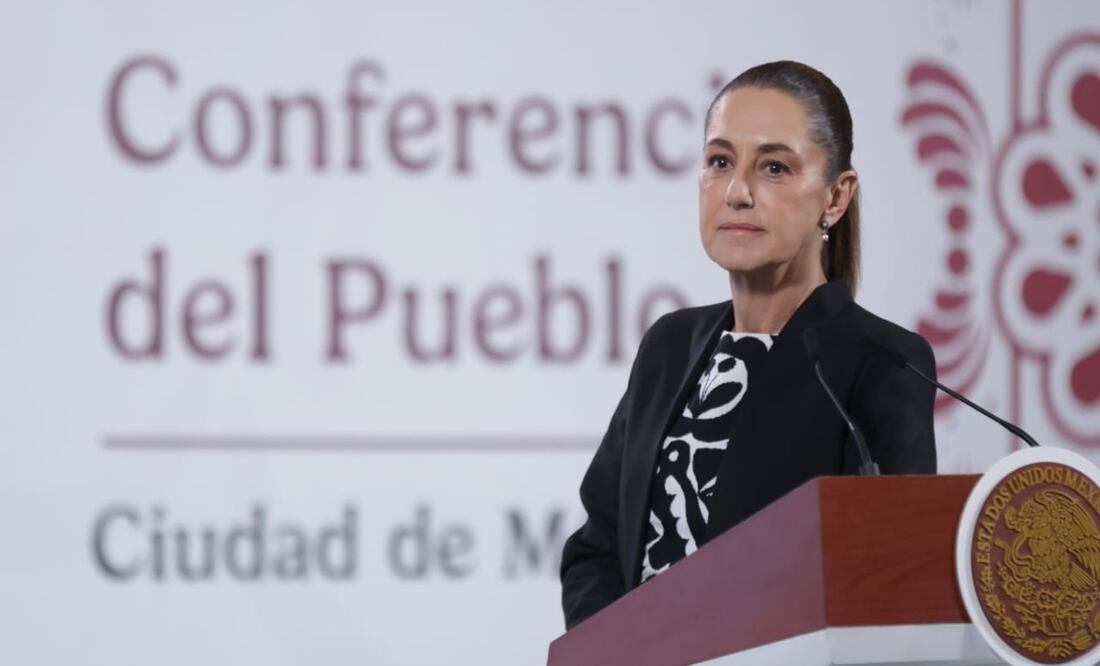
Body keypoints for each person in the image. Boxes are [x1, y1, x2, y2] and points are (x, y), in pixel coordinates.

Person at [559, 60, 937, 630]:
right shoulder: (670, 345)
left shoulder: (881, 363)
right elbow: (597, 548)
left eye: (775, 167)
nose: (737, 192)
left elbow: (887, 587)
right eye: (719, 162)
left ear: (836, 197)